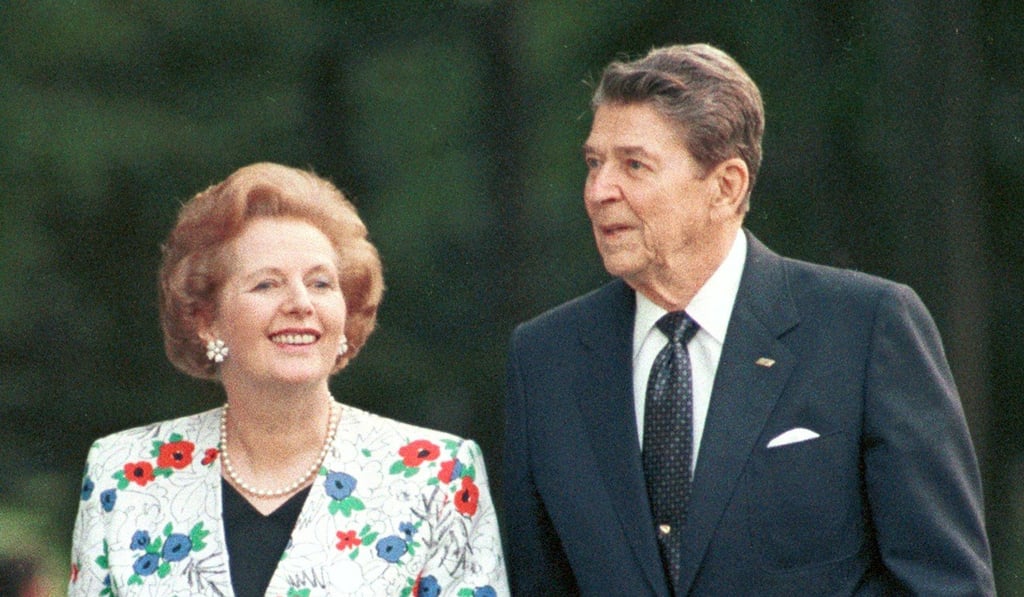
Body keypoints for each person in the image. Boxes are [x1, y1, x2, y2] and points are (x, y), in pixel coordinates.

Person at [503, 44, 995, 595]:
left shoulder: (866, 328)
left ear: (727, 185)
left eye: (634, 165)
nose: (599, 191)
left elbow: (944, 582)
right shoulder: (545, 357)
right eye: (594, 163)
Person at [69, 163, 508, 596]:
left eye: (320, 283)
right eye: (266, 285)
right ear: (206, 319)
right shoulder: (124, 475)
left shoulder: (437, 474)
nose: (300, 303)